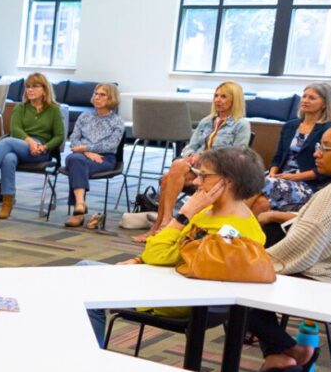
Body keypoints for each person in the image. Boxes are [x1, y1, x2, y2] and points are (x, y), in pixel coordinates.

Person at [85, 146, 266, 347]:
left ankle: (89, 356)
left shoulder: (228, 230)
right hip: (171, 282)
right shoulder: (217, 213)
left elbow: (156, 253)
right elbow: (163, 254)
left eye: (204, 176)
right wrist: (139, 260)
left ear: (228, 181)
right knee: (84, 273)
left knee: (84, 283)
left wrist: (182, 216)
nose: (196, 182)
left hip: (178, 298)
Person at [248, 120, 331, 372]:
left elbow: (303, 247)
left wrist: (249, 262)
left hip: (324, 278)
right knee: (263, 232)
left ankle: (291, 352)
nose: (316, 153)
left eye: (326, 148)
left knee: (232, 281)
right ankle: (279, 354)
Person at [135, 81, 252, 242]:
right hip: (196, 168)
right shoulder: (207, 121)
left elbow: (237, 154)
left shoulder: (241, 125)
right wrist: (191, 156)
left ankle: (161, 226)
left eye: (223, 97)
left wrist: (204, 157)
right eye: (216, 96)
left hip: (218, 172)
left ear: (235, 100)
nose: (218, 100)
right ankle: (163, 224)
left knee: (168, 179)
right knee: (177, 167)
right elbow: (189, 147)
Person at [0, 72, 62, 220]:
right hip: (21, 146)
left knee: (6, 142)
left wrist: (44, 147)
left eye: (35, 86)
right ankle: (7, 202)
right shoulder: (20, 108)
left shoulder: (53, 109)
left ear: (45, 89)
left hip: (41, 150)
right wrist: (30, 142)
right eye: (28, 87)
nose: (30, 90)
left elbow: (59, 136)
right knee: (8, 158)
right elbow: (15, 130)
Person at [253, 83, 331, 216]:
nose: (305, 100)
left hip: (307, 184)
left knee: (260, 184)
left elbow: (327, 170)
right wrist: (273, 173)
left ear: (325, 103)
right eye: (304, 96)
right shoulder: (290, 126)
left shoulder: (329, 130)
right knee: (260, 202)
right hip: (279, 178)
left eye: (312, 98)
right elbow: (278, 157)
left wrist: (293, 177)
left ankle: (227, 226)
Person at [59, 83, 124, 229]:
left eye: (102, 95)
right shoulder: (84, 117)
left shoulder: (117, 121)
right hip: (80, 155)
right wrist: (87, 152)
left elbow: (112, 145)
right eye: (96, 93)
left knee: (76, 163)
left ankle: (78, 213)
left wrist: (88, 148)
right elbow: (73, 139)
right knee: (76, 160)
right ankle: (80, 204)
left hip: (104, 158)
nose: (97, 97)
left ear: (111, 98)